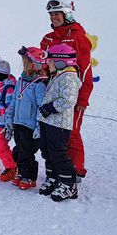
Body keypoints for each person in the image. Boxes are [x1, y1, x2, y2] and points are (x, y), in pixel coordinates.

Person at [40, 0, 93, 178]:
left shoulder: (77, 36)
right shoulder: (48, 38)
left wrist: (83, 99)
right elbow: (43, 66)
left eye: (57, 14)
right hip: (51, 93)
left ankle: (75, 170)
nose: (54, 17)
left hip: (72, 93)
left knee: (71, 132)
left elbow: (85, 70)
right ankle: (58, 170)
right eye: (52, 14)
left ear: (67, 14)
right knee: (54, 133)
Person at [37, 44, 81, 202]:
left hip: (59, 124)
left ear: (61, 62)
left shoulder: (69, 78)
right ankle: (53, 178)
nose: (48, 64)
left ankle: (69, 184)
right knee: (47, 151)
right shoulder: (57, 76)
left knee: (58, 154)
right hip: (48, 122)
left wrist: (51, 108)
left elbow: (69, 100)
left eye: (50, 61)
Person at [3, 47, 48, 190]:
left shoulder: (39, 83)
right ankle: (21, 172)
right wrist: (9, 116)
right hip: (18, 122)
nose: (23, 64)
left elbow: (41, 105)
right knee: (18, 150)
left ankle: (29, 177)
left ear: (35, 64)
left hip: (30, 124)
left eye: (26, 61)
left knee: (27, 152)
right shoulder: (21, 80)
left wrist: (39, 126)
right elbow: (14, 100)